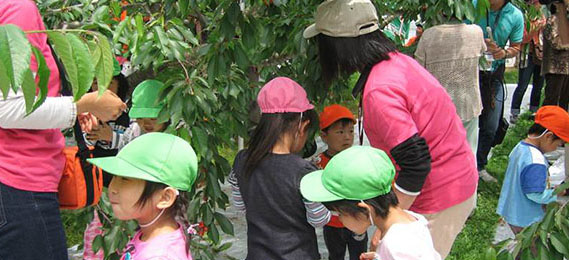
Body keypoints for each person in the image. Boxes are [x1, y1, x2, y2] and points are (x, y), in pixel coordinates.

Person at [304, 0, 477, 257]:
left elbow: (416, 162)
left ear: (337, 45)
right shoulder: (396, 62)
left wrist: (387, 225)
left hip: (439, 193)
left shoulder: (379, 90)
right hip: (453, 179)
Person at [0, 1, 126, 259]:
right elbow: (7, 108)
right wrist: (83, 104)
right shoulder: (16, 8)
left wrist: (72, 110)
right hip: (18, 185)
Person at [228, 77, 331, 260]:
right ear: (302, 126)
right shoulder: (303, 171)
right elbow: (319, 219)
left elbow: (239, 205)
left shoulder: (241, 160)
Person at [300, 146, 441, 260]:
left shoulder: (397, 246)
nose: (340, 219)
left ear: (365, 210)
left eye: (339, 213)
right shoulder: (412, 220)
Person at [88, 132, 197, 260]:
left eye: (125, 179)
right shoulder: (151, 235)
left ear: (165, 197)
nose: (112, 188)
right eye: (114, 177)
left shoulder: (159, 256)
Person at [415, 13, 486, 157]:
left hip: (437, 107)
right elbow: (484, 51)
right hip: (467, 103)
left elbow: (418, 69)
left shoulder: (429, 35)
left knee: (439, 155)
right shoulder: (476, 32)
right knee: (468, 152)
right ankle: (469, 178)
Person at [472, 0, 524, 182]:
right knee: (466, 122)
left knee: (491, 125)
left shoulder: (515, 15)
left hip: (494, 75)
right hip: (470, 72)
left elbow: (516, 46)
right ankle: (462, 166)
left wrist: (502, 53)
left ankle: (479, 165)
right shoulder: (472, 5)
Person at [497, 106, 569, 233]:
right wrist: (555, 194)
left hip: (513, 209)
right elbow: (534, 194)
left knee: (522, 245)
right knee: (531, 249)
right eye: (558, 144)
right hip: (526, 217)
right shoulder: (536, 161)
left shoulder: (520, 147)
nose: (556, 149)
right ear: (548, 136)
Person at [312, 104, 368, 260]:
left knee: (360, 256)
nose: (347, 137)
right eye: (340, 132)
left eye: (351, 131)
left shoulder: (359, 158)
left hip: (357, 220)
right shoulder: (318, 163)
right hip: (332, 223)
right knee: (335, 255)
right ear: (324, 136)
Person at [87, 79, 169, 150]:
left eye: (153, 118)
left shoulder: (176, 132)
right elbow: (125, 147)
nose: (146, 124)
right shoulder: (135, 130)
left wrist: (112, 137)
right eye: (140, 118)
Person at [510, 0, 546, 123]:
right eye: (536, 3)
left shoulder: (542, 16)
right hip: (527, 55)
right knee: (523, 85)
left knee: (538, 85)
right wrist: (536, 27)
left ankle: (533, 112)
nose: (539, 6)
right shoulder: (524, 18)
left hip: (540, 55)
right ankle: (515, 112)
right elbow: (523, 38)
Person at [541, 1, 569, 111]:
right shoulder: (553, 20)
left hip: (566, 68)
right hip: (555, 68)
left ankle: (561, 126)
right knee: (552, 101)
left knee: (564, 101)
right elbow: (556, 43)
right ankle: (543, 126)